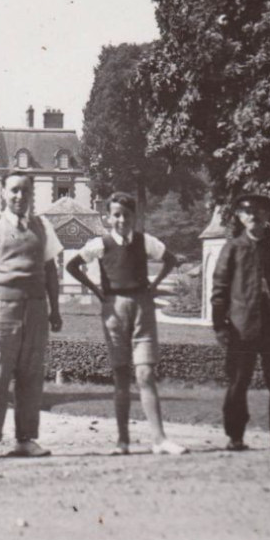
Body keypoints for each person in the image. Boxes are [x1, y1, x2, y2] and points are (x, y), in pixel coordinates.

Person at [67, 191, 186, 456]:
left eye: (127, 215)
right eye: (116, 215)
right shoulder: (101, 244)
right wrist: (97, 291)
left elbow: (170, 259)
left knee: (145, 374)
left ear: (135, 217)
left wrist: (153, 286)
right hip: (114, 311)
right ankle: (123, 441)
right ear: (108, 218)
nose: (122, 220)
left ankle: (159, 439)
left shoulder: (146, 242)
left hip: (142, 308)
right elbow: (72, 266)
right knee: (121, 376)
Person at [0, 170, 63, 457]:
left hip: (35, 308)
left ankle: (25, 439)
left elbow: (50, 270)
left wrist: (55, 309)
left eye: (25, 191)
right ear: (3, 193)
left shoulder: (43, 225)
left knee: (31, 375)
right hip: (2, 307)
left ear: (32, 194)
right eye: (14, 191)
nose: (19, 196)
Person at [210, 191, 270, 451]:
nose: (254, 217)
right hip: (242, 327)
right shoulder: (233, 248)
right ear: (241, 218)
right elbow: (219, 288)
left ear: (267, 216)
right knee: (238, 381)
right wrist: (220, 325)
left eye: (259, 212)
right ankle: (236, 437)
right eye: (247, 213)